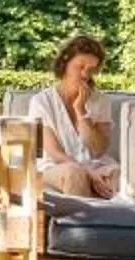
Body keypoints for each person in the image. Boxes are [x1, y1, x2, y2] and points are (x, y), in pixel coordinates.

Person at [26, 34, 118, 198]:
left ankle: (112, 223)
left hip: (95, 164)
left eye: (91, 70)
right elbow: (55, 153)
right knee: (74, 173)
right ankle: (79, 224)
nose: (85, 74)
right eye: (80, 67)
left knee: (116, 175)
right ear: (65, 64)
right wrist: (87, 172)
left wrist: (81, 111)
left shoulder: (101, 101)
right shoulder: (41, 102)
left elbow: (98, 150)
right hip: (55, 167)